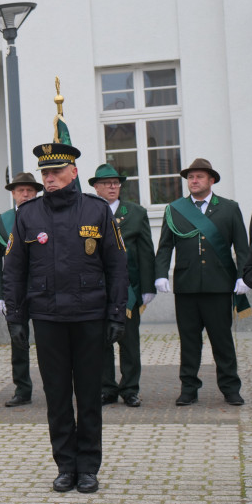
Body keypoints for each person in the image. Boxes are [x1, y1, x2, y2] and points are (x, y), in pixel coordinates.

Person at [3, 141, 127, 494]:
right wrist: (15, 316)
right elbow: (14, 270)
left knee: (89, 394)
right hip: (48, 317)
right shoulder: (28, 215)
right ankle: (65, 465)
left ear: (73, 172)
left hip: (89, 316)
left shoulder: (97, 211)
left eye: (57, 172)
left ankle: (88, 466)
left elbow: (117, 265)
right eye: (45, 173)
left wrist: (117, 313)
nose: (51, 178)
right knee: (57, 396)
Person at [154, 158, 250, 406]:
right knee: (189, 342)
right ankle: (189, 388)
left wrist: (244, 276)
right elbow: (164, 246)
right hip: (186, 287)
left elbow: (242, 246)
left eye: (199, 177)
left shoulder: (229, 208)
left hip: (219, 286)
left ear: (211, 180)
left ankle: (230, 388)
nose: (193, 181)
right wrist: (161, 273)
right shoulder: (175, 209)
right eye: (190, 177)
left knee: (222, 341)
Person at [89, 164, 156, 408]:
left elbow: (146, 252)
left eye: (116, 183)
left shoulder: (136, 213)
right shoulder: (88, 212)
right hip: (97, 289)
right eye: (107, 183)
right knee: (101, 341)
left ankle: (130, 389)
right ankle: (107, 388)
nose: (112, 187)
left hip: (128, 290)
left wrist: (149, 286)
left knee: (129, 342)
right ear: (96, 187)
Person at [0, 171, 43, 407]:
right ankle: (22, 389)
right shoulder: (2, 220)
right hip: (15, 292)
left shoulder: (46, 216)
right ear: (13, 193)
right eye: (20, 190)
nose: (25, 194)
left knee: (49, 342)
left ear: (37, 192)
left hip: (44, 289)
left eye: (30, 190)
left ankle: (56, 387)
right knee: (18, 343)